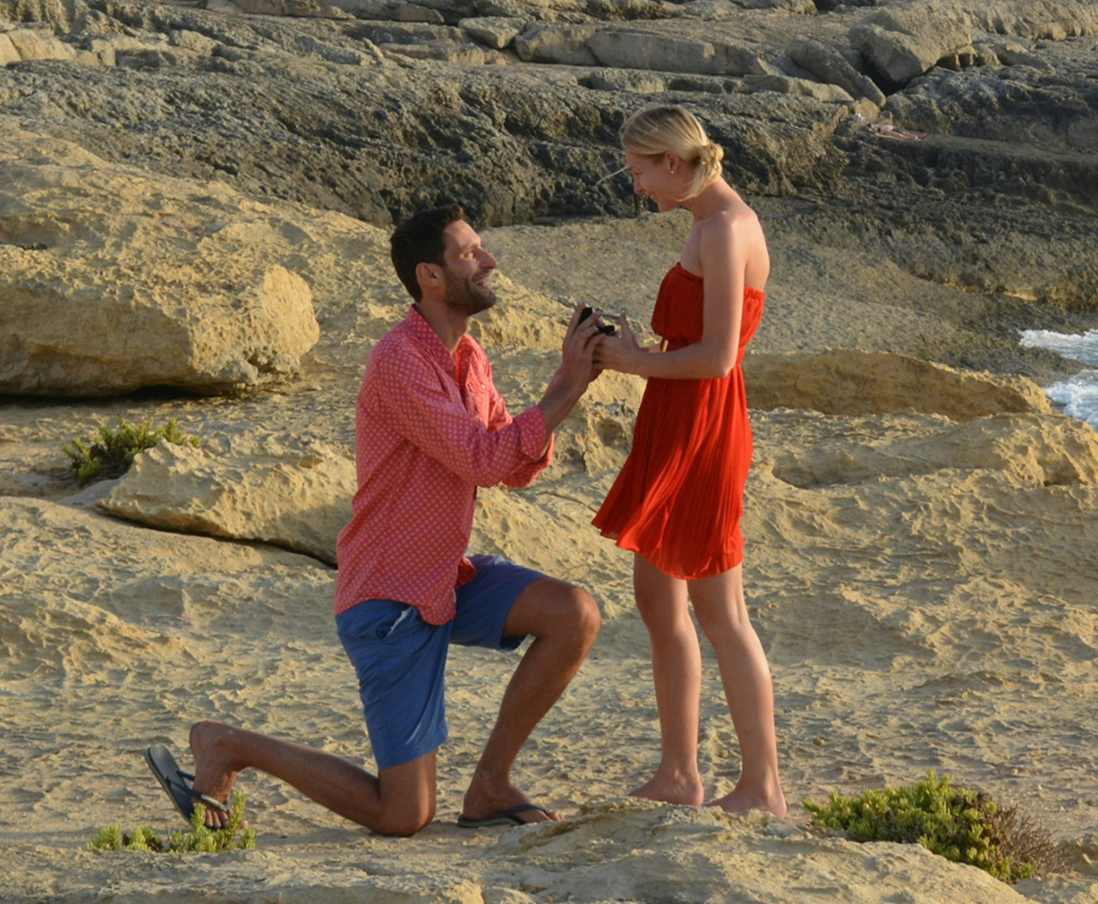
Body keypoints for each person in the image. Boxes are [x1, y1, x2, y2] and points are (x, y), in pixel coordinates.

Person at [144, 203, 603, 839]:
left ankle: (491, 785)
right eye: (470, 252)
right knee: (404, 816)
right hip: (389, 600)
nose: (490, 260)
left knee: (572, 613)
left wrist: (566, 384)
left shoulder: (468, 356)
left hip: (447, 577)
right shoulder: (398, 361)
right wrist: (566, 385)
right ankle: (228, 745)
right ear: (431, 277)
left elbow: (513, 464)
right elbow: (484, 458)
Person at [592, 104, 786, 817]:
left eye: (639, 171)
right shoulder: (707, 226)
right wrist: (641, 349)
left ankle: (762, 786)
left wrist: (632, 360)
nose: (637, 187)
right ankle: (680, 772)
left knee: (719, 608)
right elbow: (695, 340)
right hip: (676, 421)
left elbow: (719, 357)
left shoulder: (727, 228)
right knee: (658, 597)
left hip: (705, 425)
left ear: (673, 163)